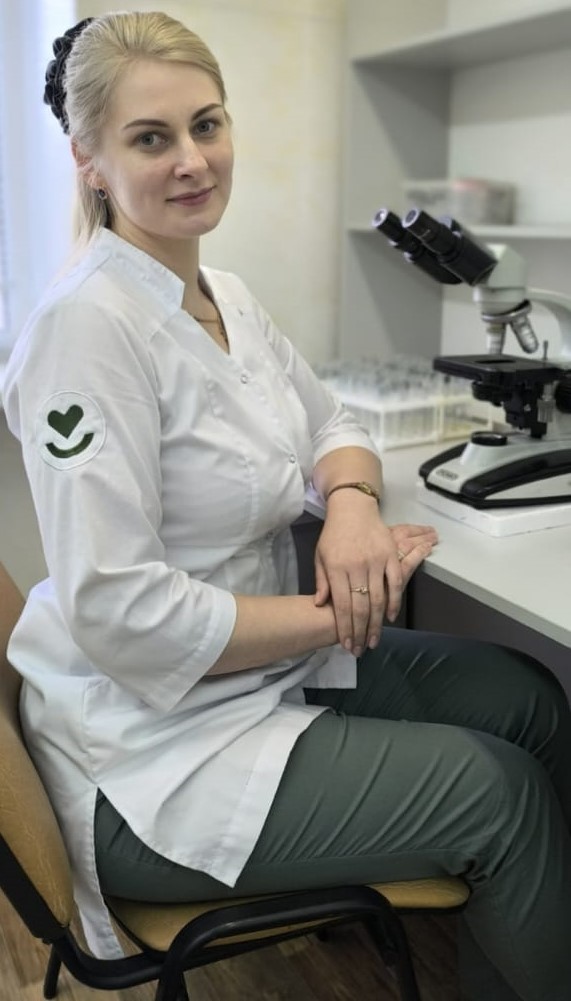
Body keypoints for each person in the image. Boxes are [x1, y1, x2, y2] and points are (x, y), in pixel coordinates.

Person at [3, 12, 571, 1000]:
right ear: (89, 161)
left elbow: (330, 420)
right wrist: (338, 609)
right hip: (154, 757)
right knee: (502, 793)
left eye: (206, 124)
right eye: (152, 138)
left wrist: (348, 506)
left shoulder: (221, 293)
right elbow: (121, 613)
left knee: (530, 696)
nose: (193, 160)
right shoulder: (85, 332)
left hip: (258, 680)